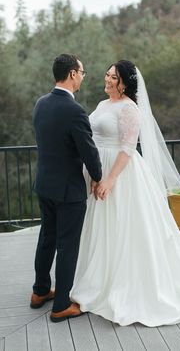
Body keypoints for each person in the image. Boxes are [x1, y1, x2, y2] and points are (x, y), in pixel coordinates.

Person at [70, 60, 180, 327]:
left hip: (121, 175)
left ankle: (122, 284)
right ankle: (96, 279)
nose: (108, 79)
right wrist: (94, 173)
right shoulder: (103, 105)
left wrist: (110, 179)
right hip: (97, 172)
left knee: (124, 228)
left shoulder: (129, 108)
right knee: (101, 228)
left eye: (114, 77)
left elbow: (127, 148)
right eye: (107, 75)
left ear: (125, 83)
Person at [31, 54, 102, 323]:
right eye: (82, 72)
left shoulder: (41, 103)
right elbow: (88, 151)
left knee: (47, 238)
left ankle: (39, 292)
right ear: (72, 74)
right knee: (67, 245)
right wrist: (97, 176)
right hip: (68, 190)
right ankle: (60, 305)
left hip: (45, 185)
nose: (83, 76)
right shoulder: (75, 111)